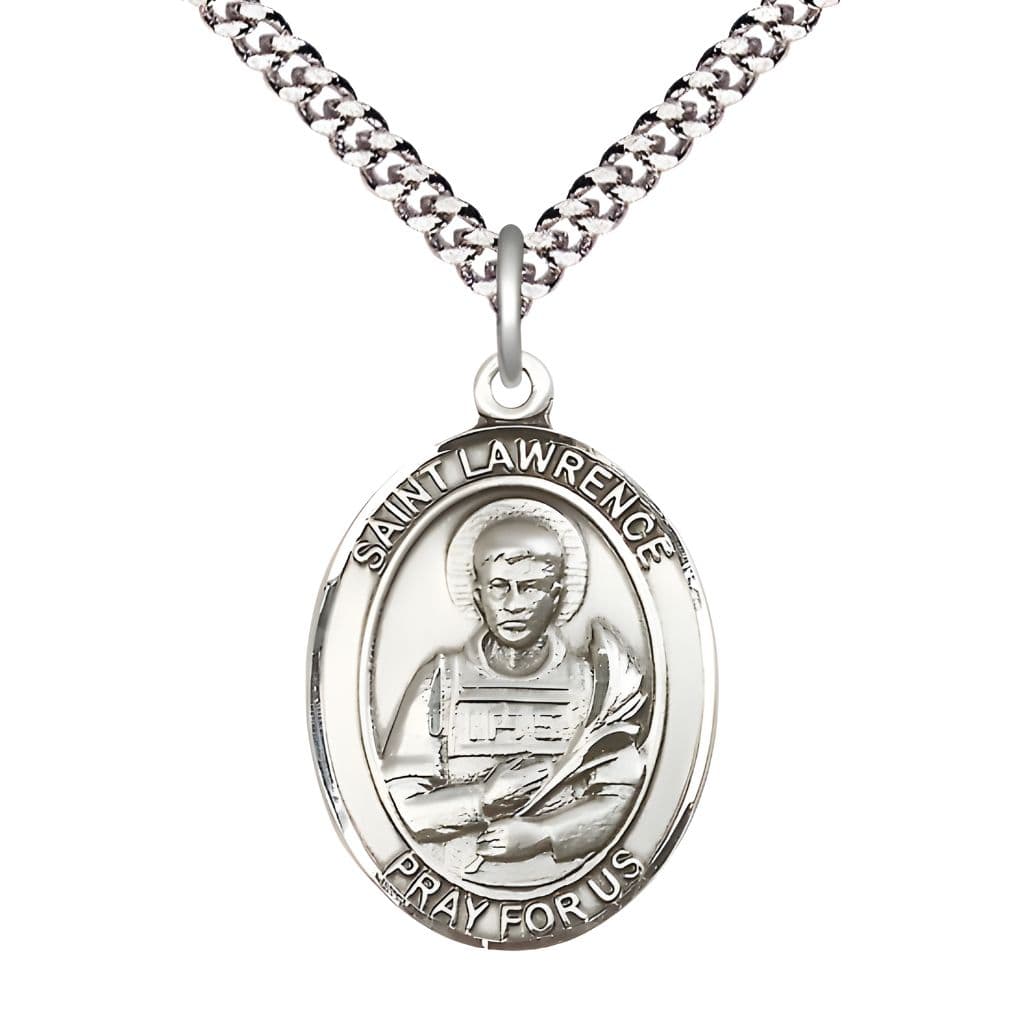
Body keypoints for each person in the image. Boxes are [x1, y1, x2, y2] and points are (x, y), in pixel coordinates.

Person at [381, 499, 646, 886]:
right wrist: (483, 800)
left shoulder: (593, 686)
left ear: (556, 596)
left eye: (531, 588)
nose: (514, 605)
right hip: (456, 877)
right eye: (499, 587)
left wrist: (544, 834)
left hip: (565, 880)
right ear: (478, 596)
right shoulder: (440, 681)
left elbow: (622, 798)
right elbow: (394, 805)